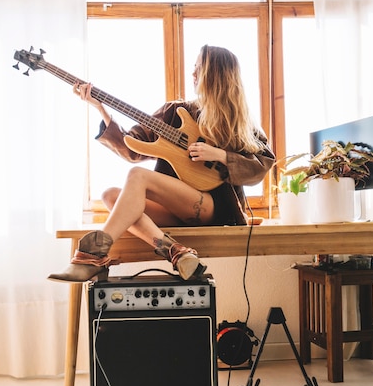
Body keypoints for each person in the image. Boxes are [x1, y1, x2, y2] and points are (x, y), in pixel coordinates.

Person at [48, 44, 275, 283]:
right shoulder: (175, 111)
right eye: (194, 67)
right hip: (174, 207)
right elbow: (131, 149)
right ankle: (176, 252)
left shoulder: (237, 121)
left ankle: (91, 256)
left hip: (213, 207)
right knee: (110, 195)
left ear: (216, 74)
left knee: (138, 175)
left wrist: (219, 155)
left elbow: (262, 165)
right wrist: (100, 109)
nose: (193, 74)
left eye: (199, 68)